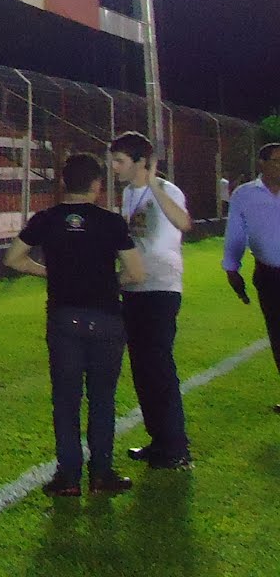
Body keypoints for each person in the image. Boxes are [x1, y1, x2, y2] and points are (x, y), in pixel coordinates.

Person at [5, 152, 145, 497]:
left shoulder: (47, 218)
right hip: (105, 316)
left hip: (64, 317)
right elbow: (136, 272)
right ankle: (101, 474)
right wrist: (108, 282)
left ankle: (68, 477)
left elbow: (13, 259)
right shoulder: (111, 222)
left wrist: (51, 273)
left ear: (63, 182)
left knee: (66, 400)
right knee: (102, 399)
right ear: (97, 184)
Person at [109, 131, 193, 469]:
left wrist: (154, 184)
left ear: (141, 162)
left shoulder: (166, 190)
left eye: (120, 161)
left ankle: (176, 447)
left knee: (159, 368)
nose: (114, 167)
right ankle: (159, 441)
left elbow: (183, 223)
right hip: (135, 290)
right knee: (143, 370)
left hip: (160, 289)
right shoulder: (128, 194)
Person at [223, 142, 280, 415]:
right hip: (268, 274)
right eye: (277, 161)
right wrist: (232, 269)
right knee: (277, 334)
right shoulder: (244, 195)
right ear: (262, 164)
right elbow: (235, 233)